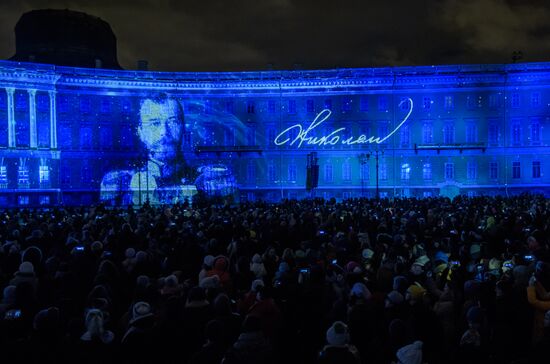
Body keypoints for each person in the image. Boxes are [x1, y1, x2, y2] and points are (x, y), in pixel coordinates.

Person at [100, 93, 197, 205]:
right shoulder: (120, 182)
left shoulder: (202, 180)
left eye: (173, 122)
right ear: (141, 133)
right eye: (154, 124)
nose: (164, 132)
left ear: (184, 129)